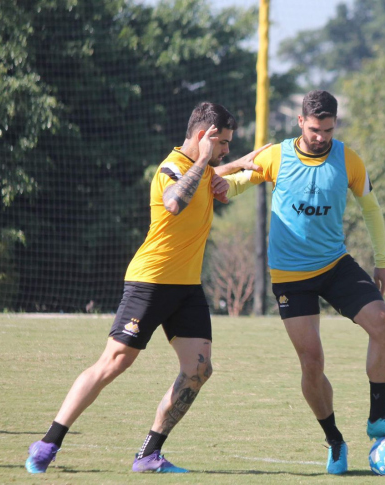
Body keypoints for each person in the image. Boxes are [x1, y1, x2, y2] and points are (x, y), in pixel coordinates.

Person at [25, 102, 268, 474]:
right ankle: (48, 443)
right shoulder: (172, 167)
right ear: (204, 137)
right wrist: (208, 164)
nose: (227, 150)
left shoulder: (203, 168)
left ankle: (149, 454)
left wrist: (239, 164)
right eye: (223, 143)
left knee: (198, 370)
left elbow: (216, 173)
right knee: (115, 362)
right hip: (151, 281)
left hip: (186, 287)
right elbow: (173, 203)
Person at [224, 90, 385, 475]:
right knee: (312, 362)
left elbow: (371, 209)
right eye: (314, 129)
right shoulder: (276, 155)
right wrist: (218, 186)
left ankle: (379, 417)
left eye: (328, 129)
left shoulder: (348, 159)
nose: (321, 137)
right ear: (300, 122)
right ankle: (334, 441)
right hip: (291, 277)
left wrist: (383, 263)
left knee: (384, 324)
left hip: (334, 264)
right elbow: (238, 184)